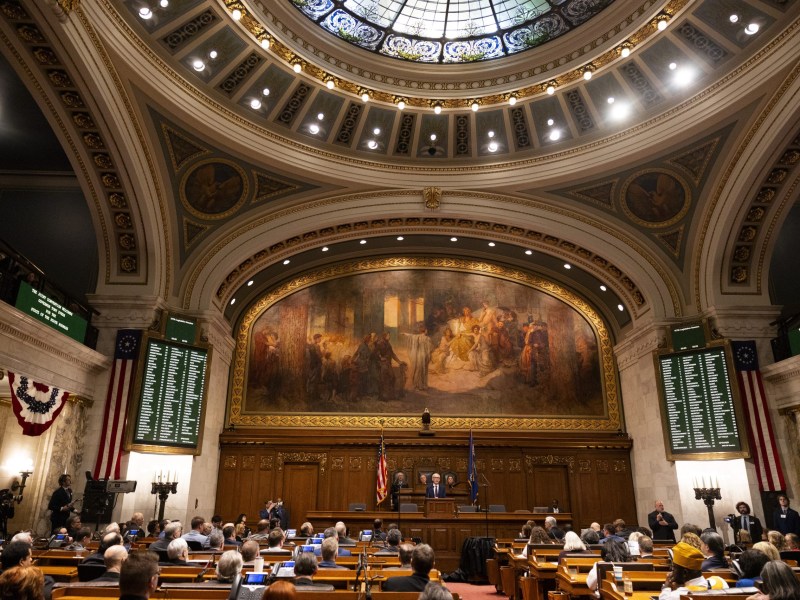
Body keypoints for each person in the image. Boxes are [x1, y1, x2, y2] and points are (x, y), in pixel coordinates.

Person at [658, 542, 728, 600]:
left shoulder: (678, 595)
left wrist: (666, 587)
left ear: (685, 573)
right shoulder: (720, 582)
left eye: (674, 569)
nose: (671, 573)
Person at [402, 324, 432, 390]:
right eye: (426, 330)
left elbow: (410, 336)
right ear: (425, 331)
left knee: (418, 369)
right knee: (423, 370)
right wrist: (429, 355)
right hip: (423, 355)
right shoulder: (427, 338)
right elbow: (430, 348)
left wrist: (404, 334)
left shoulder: (417, 337)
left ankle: (417, 384)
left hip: (418, 356)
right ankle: (422, 385)